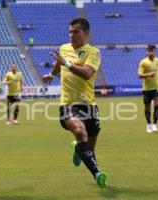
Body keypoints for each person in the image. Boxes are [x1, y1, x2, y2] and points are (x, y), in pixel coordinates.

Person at [42, 18, 107, 188]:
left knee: (89, 149)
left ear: (86, 34)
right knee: (80, 132)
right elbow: (59, 62)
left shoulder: (93, 52)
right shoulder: (64, 48)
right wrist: (51, 74)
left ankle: (78, 149)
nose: (72, 35)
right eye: (70, 31)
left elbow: (86, 73)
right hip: (68, 104)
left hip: (89, 105)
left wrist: (67, 63)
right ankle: (98, 174)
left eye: (76, 32)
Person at [138, 44, 158, 133]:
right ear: (147, 51)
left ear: (155, 51)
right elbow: (139, 75)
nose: (151, 52)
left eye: (152, 51)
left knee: (157, 105)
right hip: (147, 88)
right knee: (147, 107)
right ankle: (149, 124)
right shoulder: (143, 62)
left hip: (157, 87)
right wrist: (148, 74)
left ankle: (154, 125)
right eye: (149, 51)